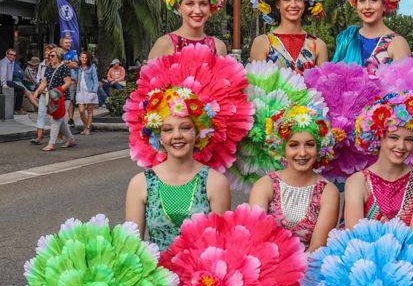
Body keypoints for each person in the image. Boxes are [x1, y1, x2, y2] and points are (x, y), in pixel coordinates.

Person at [124, 110, 231, 252]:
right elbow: (131, 250)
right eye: (168, 130)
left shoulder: (216, 182)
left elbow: (221, 247)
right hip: (155, 272)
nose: (177, 135)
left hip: (202, 273)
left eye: (185, 128)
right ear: (159, 137)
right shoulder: (140, 183)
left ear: (198, 132)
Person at [248, 104, 340, 251]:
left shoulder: (328, 192)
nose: (302, 153)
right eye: (294, 145)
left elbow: (318, 247)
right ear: (282, 148)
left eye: (309, 145)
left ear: (319, 147)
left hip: (310, 269)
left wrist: (295, 270)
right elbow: (256, 238)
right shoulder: (265, 185)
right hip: (267, 265)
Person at [344, 91, 413, 228]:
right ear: (378, 137)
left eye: (409, 139)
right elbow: (354, 237)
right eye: (394, 137)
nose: (401, 146)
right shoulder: (357, 182)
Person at [249, 0, 329, 72]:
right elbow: (256, 86)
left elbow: (325, 86)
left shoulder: (318, 45)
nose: (293, 5)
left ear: (305, 3)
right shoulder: (263, 43)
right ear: (277, 4)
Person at [332, 0, 410, 73]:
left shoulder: (397, 44)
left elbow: (403, 87)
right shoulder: (348, 38)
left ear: (384, 5)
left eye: (374, 0)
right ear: (356, 4)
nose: (367, 6)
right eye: (362, 0)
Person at [149, 0, 228, 59]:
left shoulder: (218, 47)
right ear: (179, 8)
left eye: (203, 4)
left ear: (211, 7)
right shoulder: (165, 44)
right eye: (190, 4)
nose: (197, 11)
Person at [36, 47, 76, 151]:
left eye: (52, 55)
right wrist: (37, 92)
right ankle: (71, 139)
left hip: (63, 97)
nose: (50, 57)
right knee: (60, 119)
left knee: (55, 119)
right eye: (49, 55)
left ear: (58, 56)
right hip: (52, 97)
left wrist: (57, 91)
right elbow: (44, 82)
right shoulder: (49, 68)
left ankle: (51, 143)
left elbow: (67, 83)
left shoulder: (64, 68)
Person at [0, 48, 37, 115]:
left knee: (20, 89)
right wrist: (4, 85)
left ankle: (16, 109)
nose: (13, 56)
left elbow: (18, 73)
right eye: (11, 54)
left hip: (8, 81)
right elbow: (3, 74)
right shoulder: (4, 62)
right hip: (0, 82)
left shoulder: (12, 62)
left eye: (14, 55)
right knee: (21, 89)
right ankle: (17, 109)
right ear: (7, 54)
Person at [74, 50, 98, 136]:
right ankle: (87, 126)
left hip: (89, 91)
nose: (84, 59)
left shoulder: (92, 67)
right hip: (80, 91)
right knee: (81, 111)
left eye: (85, 57)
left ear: (88, 59)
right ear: (80, 58)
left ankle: (87, 128)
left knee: (89, 111)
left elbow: (95, 80)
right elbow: (74, 77)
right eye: (82, 57)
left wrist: (94, 91)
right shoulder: (78, 68)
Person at [58, 36, 79, 128]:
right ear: (61, 43)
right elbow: (56, 64)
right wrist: (68, 64)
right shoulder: (58, 52)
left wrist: (64, 63)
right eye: (66, 42)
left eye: (69, 42)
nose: (68, 44)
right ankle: (60, 118)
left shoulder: (73, 53)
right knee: (59, 98)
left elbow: (76, 65)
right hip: (59, 79)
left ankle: (70, 119)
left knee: (70, 99)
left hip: (71, 79)